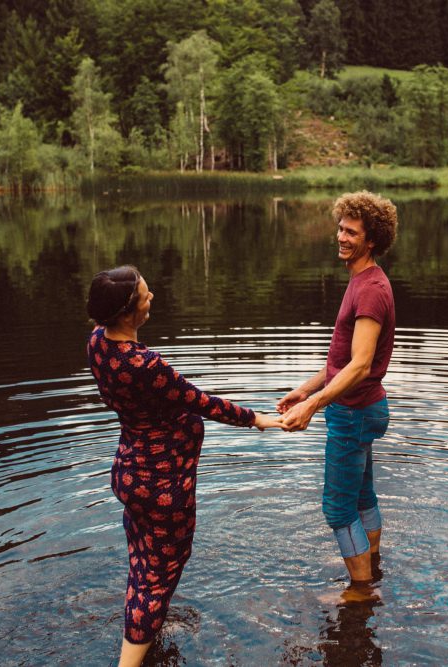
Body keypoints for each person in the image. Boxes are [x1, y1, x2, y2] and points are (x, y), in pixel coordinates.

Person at [85, 265, 284, 667]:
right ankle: (132, 652)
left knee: (144, 565)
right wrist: (258, 419)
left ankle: (147, 633)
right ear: (128, 312)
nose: (152, 297)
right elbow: (201, 401)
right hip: (161, 485)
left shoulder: (97, 343)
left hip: (130, 473)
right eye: (145, 294)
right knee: (158, 578)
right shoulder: (145, 365)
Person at [278, 191, 398, 590]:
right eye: (340, 228)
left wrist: (314, 404)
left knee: (338, 510)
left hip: (353, 411)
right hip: (360, 409)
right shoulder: (363, 280)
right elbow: (343, 360)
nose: (341, 237)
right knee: (362, 497)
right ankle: (370, 564)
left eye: (352, 232)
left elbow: (361, 365)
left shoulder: (371, 289)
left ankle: (361, 591)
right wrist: (304, 390)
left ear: (372, 240)